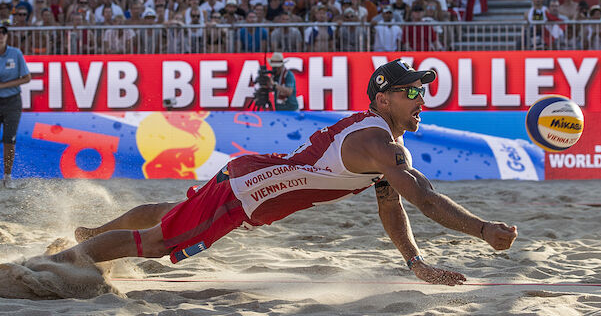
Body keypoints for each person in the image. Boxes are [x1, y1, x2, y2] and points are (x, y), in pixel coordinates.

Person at [53, 59, 518, 286]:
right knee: (158, 244)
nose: (421, 98)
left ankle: (89, 233)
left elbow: (391, 203)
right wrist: (481, 229)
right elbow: (425, 198)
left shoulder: (382, 142)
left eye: (422, 90)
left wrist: (414, 263)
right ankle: (59, 266)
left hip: (253, 175)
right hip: (250, 193)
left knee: (169, 211)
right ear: (383, 99)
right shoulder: (379, 143)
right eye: (411, 91)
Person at [0, 25, 31, 189]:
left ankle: (7, 176)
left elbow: (27, 78)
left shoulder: (15, 53)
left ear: (6, 36)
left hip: (12, 101)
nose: (0, 36)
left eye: (3, 33)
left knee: (9, 140)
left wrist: (4, 85)